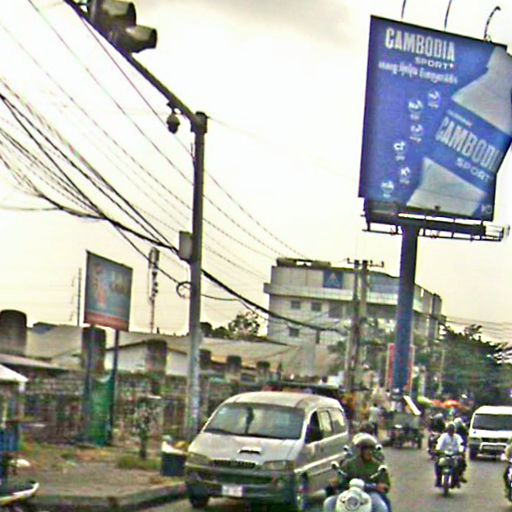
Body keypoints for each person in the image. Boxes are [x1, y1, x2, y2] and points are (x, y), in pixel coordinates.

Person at [324, 435, 391, 512]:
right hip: (349, 492)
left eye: (371, 449)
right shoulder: (349, 463)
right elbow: (341, 477)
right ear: (361, 451)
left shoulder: (378, 466)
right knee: (329, 503)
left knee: (380, 507)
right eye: (366, 449)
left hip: (370, 493)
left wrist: (383, 486)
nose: (369, 452)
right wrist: (337, 481)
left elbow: (385, 484)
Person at [434, 422, 467, 487]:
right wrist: (437, 450)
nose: (451, 432)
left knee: (461, 462)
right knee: (437, 464)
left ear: (454, 430)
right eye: (450, 430)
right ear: (447, 430)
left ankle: (459, 477)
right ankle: (438, 479)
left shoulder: (457, 437)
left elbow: (461, 444)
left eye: (452, 430)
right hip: (444, 454)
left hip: (455, 455)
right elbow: (439, 444)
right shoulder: (443, 436)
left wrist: (461, 451)